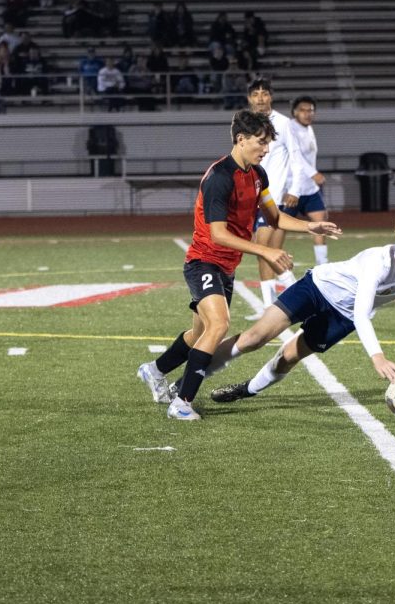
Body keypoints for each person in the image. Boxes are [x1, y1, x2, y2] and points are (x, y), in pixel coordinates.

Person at [134, 109, 342, 421]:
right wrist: (265, 252)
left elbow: (275, 217)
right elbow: (218, 234)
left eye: (269, 142)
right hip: (204, 261)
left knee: (198, 335)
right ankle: (182, 402)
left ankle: (154, 370)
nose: (267, 149)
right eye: (261, 142)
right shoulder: (220, 178)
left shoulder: (258, 175)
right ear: (241, 139)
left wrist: (308, 227)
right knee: (219, 325)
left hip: (226, 267)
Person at [205, 210, 395, 405]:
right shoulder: (379, 261)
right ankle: (194, 375)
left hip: (343, 316)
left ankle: (246, 391)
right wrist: (378, 357)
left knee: (287, 357)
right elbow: (363, 313)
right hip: (317, 288)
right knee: (255, 337)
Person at [245, 78, 300, 311]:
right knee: (268, 252)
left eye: (264, 93)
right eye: (255, 94)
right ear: (249, 98)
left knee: (263, 248)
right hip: (251, 197)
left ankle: (271, 306)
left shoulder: (284, 124)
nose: (260, 98)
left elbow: (296, 157)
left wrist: (295, 189)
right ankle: (297, 296)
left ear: (271, 97)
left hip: (273, 197)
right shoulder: (245, 124)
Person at [283, 96, 331, 266]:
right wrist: (313, 173)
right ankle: (274, 270)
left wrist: (312, 178)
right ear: (294, 112)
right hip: (291, 189)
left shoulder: (308, 129)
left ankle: (322, 266)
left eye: (310, 110)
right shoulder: (289, 128)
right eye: (303, 110)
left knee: (321, 224)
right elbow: (296, 156)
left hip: (310, 189)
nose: (307, 114)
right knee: (277, 231)